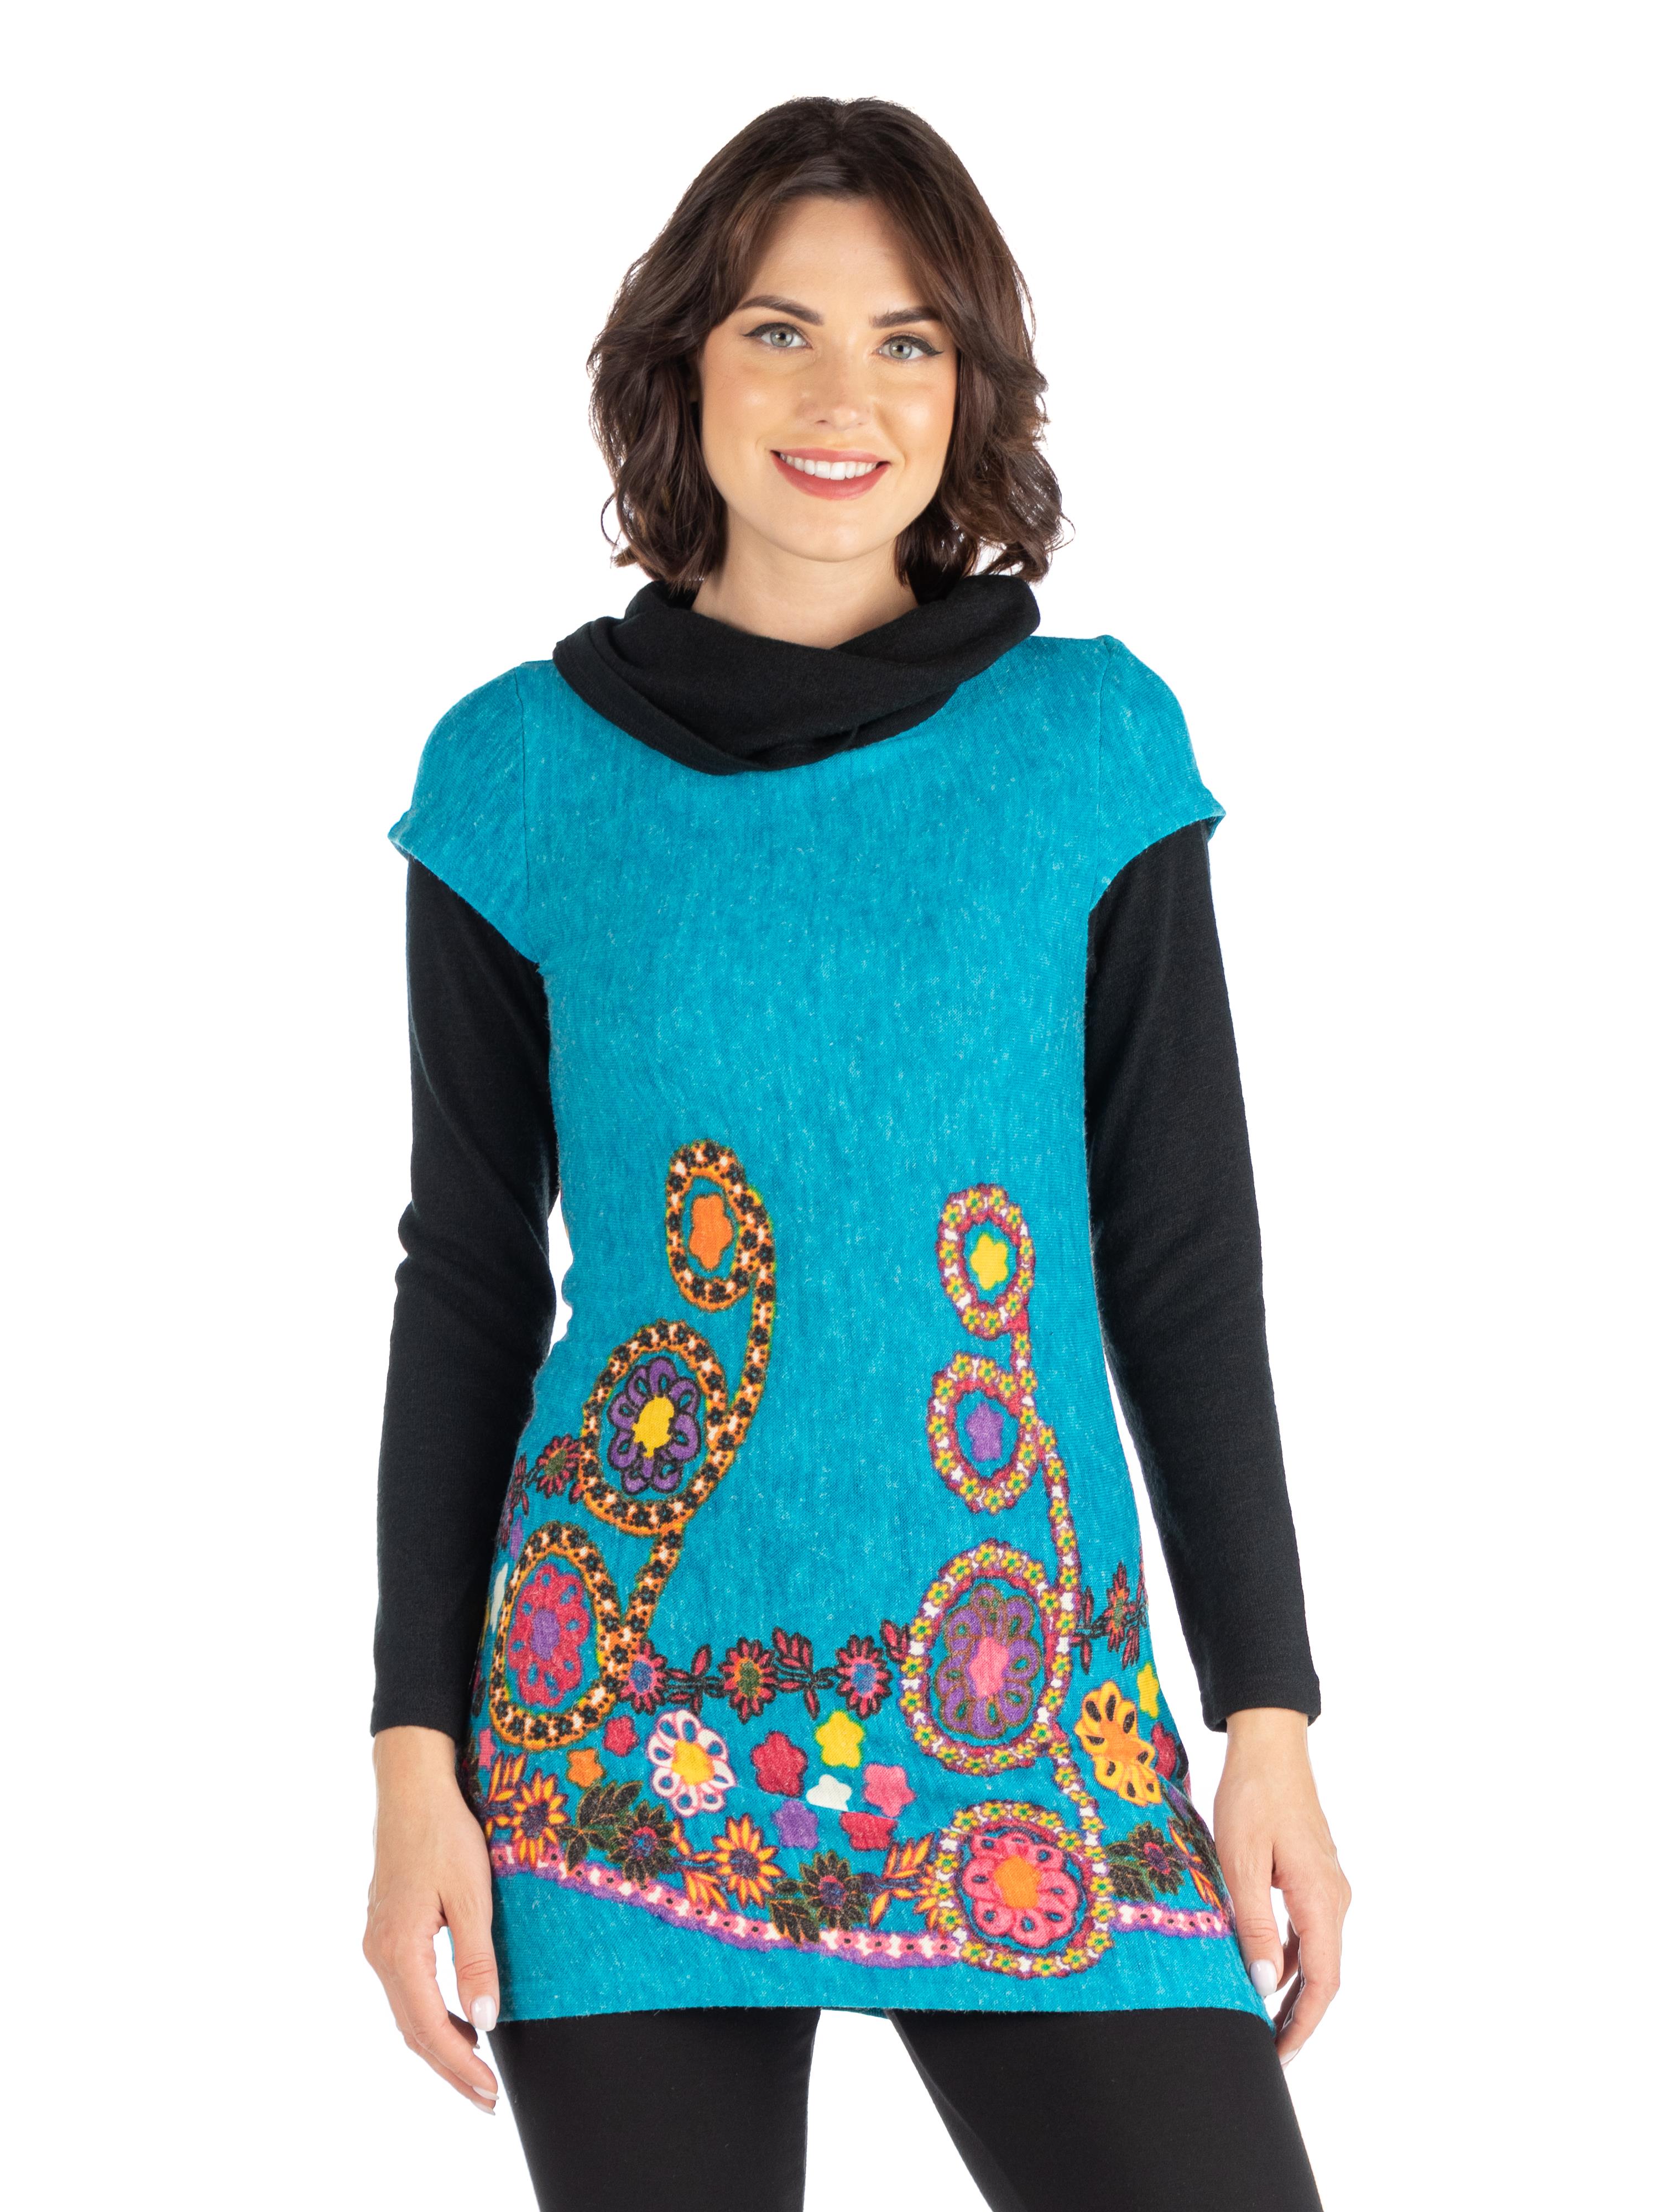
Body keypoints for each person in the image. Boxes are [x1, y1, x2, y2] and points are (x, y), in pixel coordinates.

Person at [363, 96, 1348, 2212]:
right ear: (683, 369)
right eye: (781, 333)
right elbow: (469, 1280)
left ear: (970, 386)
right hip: (610, 1744)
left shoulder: (1088, 745)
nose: (845, 400)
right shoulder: (516, 775)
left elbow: (1181, 1252)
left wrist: (1264, 1715)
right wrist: (409, 1761)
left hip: (1039, 1732)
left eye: (910, 342)